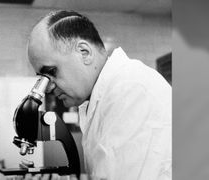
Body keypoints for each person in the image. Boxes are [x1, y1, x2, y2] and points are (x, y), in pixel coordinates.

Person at [27, 10, 172, 180]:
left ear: (84, 52)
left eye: (51, 72)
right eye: (43, 79)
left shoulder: (131, 90)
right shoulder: (99, 98)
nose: (48, 88)